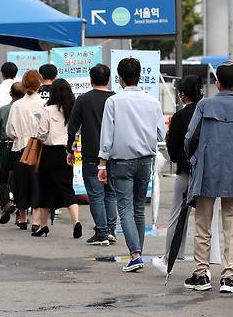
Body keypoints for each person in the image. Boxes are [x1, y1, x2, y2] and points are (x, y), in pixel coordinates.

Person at [183, 61, 233, 293]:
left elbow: (190, 138)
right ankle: (228, 277)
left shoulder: (204, 106)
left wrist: (194, 159)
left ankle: (201, 274)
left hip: (206, 169)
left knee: (202, 225)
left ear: (217, 83)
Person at [97, 57, 165, 272]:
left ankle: (135, 255)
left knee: (124, 206)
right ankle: (138, 253)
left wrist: (101, 164)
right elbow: (160, 133)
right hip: (145, 160)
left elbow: (107, 136)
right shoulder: (153, 102)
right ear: (140, 76)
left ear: (120, 79)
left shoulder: (113, 102)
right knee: (138, 209)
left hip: (121, 161)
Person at [151, 75, 204, 273]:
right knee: (207, 219)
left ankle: (170, 257)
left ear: (182, 95)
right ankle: (208, 262)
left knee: (177, 215)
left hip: (186, 172)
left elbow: (172, 151)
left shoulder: (180, 117)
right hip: (208, 174)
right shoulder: (207, 113)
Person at [67, 64, 117, 246]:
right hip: (113, 154)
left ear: (91, 79)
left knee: (96, 195)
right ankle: (110, 230)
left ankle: (102, 232)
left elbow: (73, 128)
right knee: (111, 194)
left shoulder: (83, 100)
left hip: (91, 154)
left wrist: (70, 150)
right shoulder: (115, 99)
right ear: (109, 79)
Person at [35, 79, 83, 238]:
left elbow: (41, 134)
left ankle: (42, 226)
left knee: (45, 190)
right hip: (67, 152)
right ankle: (76, 221)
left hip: (49, 153)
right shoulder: (73, 109)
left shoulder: (47, 110)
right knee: (68, 189)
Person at [6, 70, 44, 229]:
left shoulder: (17, 105)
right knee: (36, 183)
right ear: (39, 84)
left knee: (21, 183)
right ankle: (36, 220)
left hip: (20, 147)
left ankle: (22, 218)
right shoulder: (44, 104)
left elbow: (10, 131)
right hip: (39, 148)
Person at [0, 82, 25, 224]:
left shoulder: (2, 110)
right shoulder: (26, 109)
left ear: (10, 94)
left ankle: (6, 203)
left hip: (5, 146)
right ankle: (21, 213)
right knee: (20, 179)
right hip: (23, 146)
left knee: (2, 177)